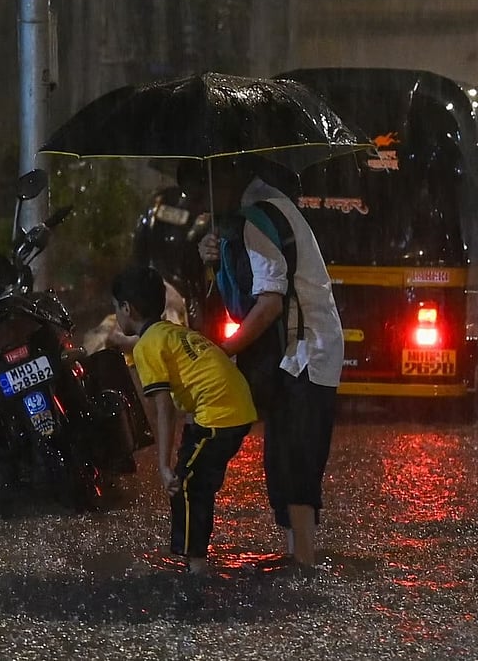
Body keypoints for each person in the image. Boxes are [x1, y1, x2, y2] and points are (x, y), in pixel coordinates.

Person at [180, 156, 344, 568]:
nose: (199, 205)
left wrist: (225, 351)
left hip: (306, 352)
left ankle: (304, 562)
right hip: (294, 353)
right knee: (281, 456)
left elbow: (269, 303)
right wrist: (213, 259)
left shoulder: (259, 220)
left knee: (296, 456)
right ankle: (297, 558)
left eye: (200, 194)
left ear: (223, 182)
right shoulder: (250, 219)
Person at [111, 265, 256, 575]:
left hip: (221, 414)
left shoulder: (149, 346)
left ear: (127, 308)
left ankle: (196, 569)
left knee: (184, 483)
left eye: (116, 311)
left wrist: (162, 465)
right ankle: (193, 557)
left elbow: (164, 409)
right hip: (235, 406)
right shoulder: (170, 333)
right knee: (195, 475)